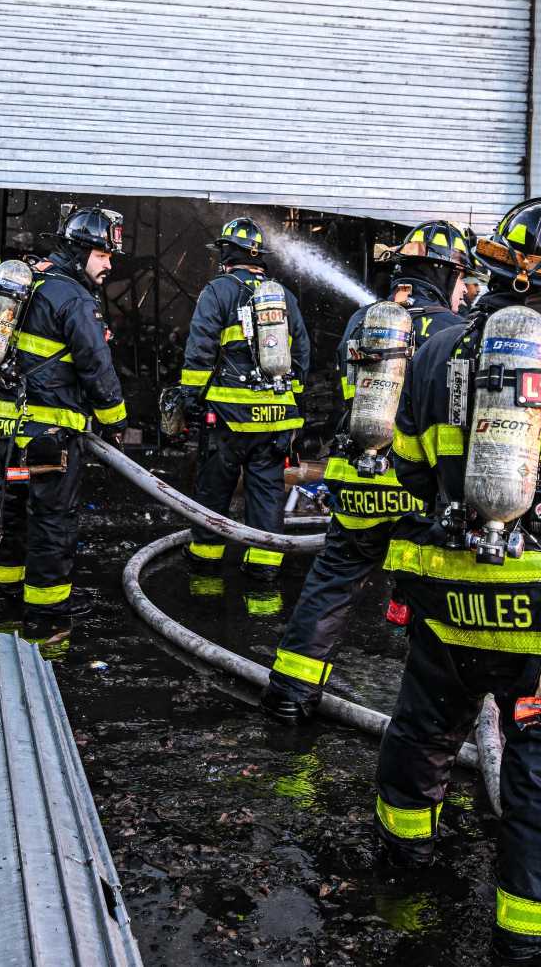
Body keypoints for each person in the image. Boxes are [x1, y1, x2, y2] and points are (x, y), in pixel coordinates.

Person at [376, 197, 541, 960]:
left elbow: (409, 469)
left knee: (424, 727)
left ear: (487, 270)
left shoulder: (434, 357)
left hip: (446, 601)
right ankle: (537, 930)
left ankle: (406, 857)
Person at [259, 220, 469, 723]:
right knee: (435, 596)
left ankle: (290, 691)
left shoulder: (364, 322)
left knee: (332, 580)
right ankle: (430, 715)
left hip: (355, 479)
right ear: (443, 274)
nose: (465, 290)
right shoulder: (457, 333)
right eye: (461, 277)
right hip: (416, 487)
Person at [0, 207, 128, 614]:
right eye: (104, 255)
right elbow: (96, 366)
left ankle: (0, 592)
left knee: (6, 511)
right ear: (81, 250)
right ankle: (48, 605)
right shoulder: (75, 297)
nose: (109, 265)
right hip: (49, 433)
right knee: (52, 517)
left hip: (5, 428)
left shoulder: (30, 282)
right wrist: (116, 421)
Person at [178, 217, 310, 583]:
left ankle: (204, 569)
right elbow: (301, 357)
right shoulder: (283, 296)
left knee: (213, 492)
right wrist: (294, 409)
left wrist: (192, 400)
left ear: (225, 255)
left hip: (227, 419)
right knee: (267, 495)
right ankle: (264, 572)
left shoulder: (218, 291)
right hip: (276, 421)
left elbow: (200, 351)